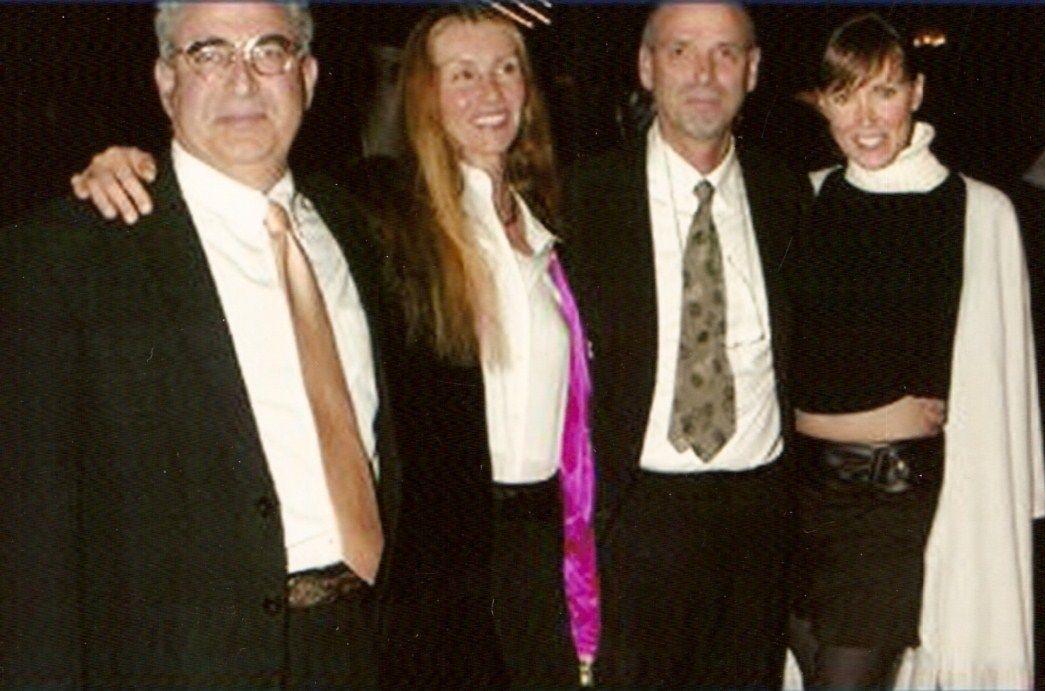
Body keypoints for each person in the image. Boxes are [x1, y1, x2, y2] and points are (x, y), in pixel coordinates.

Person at [68, 6, 596, 688]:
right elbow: (235, 182)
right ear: (423, 93)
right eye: (461, 74)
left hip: (541, 546)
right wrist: (120, 163)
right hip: (435, 572)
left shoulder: (559, 224)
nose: (488, 92)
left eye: (505, 69)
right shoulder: (378, 213)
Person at [0, 2, 400, 686]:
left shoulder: (347, 226)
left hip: (358, 649)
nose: (242, 81)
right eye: (208, 54)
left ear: (306, 76)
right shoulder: (71, 253)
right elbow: (31, 545)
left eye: (268, 51)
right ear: (165, 82)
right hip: (180, 665)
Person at [786, 14, 1045, 688]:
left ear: (917, 92)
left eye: (885, 91)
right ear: (821, 103)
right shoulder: (801, 199)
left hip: (891, 507)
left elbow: (999, 378)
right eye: (845, 95)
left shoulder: (975, 209)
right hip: (792, 503)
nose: (866, 117)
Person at [562, 3, 812, 686]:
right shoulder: (582, 197)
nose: (704, 73)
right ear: (646, 67)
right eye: (680, 51)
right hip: (635, 519)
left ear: (752, 70)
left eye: (725, 52)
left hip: (758, 519)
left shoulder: (786, 194)